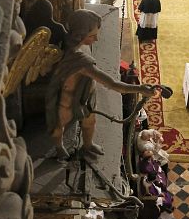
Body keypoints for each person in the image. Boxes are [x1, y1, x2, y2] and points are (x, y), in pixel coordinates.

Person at [45, 10, 153, 159]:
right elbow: (112, 84)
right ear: (80, 34)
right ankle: (59, 148)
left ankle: (87, 145)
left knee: (90, 122)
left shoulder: (71, 41)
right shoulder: (81, 61)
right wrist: (140, 88)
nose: (96, 39)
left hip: (84, 99)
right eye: (92, 35)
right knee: (58, 128)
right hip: (66, 101)